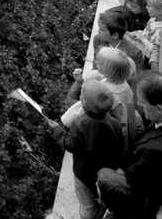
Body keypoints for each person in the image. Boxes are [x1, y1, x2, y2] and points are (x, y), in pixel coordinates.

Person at [97, 73, 162, 217]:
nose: (139, 105)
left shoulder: (156, 152)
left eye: (143, 103)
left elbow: (133, 185)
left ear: (160, 109)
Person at [48, 78, 124, 219]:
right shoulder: (114, 122)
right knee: (101, 197)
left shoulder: (79, 124)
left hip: (84, 173)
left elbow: (70, 145)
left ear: (83, 103)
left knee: (86, 204)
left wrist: (57, 131)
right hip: (105, 172)